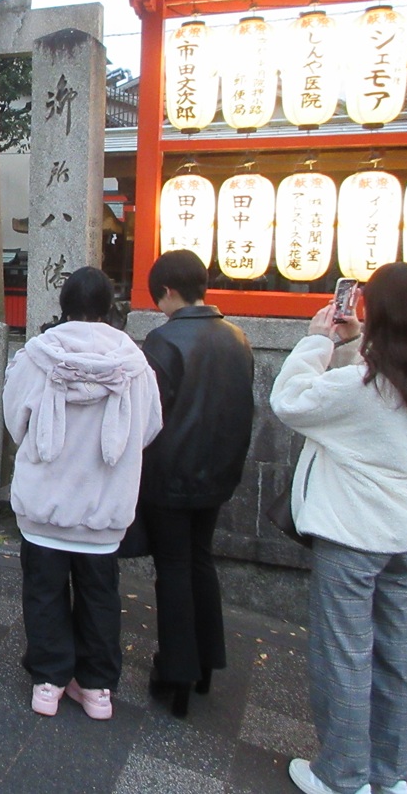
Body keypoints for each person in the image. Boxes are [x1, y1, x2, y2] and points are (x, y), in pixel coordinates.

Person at [272, 262, 407, 794]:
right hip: (406, 531)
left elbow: (290, 402)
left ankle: (341, 775)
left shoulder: (360, 385)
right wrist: (355, 348)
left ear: (375, 309)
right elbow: (379, 414)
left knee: (345, 654)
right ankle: (388, 773)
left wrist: (316, 343)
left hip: (353, 533)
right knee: (396, 656)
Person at [4, 267, 163, 719]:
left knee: (44, 590)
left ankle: (48, 683)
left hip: (44, 503)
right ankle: (96, 688)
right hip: (104, 504)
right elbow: (149, 426)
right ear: (110, 309)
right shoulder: (134, 360)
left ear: (63, 305)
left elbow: (15, 418)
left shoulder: (39, 354)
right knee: (100, 593)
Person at [138, 248, 255, 717]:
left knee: (173, 566)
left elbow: (148, 413)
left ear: (167, 291)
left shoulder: (163, 341)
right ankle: (207, 662)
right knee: (201, 560)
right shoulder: (238, 337)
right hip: (218, 471)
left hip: (169, 472)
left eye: (157, 296)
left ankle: (176, 670)